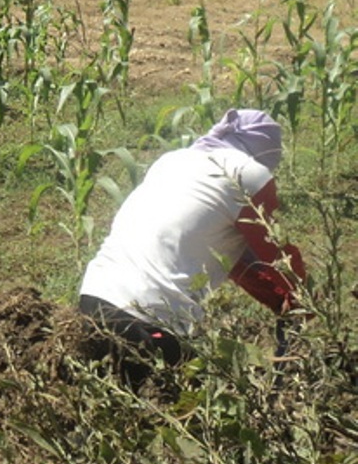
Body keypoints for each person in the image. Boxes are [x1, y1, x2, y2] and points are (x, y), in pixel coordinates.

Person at [78, 108, 307, 386]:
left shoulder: (172, 161)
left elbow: (221, 252)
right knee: (176, 412)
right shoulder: (249, 175)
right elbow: (274, 255)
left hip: (93, 300)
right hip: (150, 322)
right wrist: (301, 301)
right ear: (266, 155)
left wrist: (280, 298)